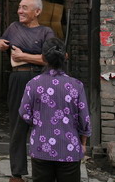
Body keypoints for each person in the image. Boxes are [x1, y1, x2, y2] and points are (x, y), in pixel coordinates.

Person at [0, 0, 55, 182]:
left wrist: (24, 57)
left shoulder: (46, 32)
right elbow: (0, 41)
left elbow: (51, 58)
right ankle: (17, 173)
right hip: (18, 78)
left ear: (37, 12)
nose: (20, 11)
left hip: (42, 80)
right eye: (20, 7)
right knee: (17, 124)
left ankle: (43, 173)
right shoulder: (13, 27)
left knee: (44, 124)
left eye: (25, 8)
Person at [19, 37, 91, 182]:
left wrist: (40, 122)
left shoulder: (33, 84)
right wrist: (83, 144)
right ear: (66, 57)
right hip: (69, 149)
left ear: (43, 58)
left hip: (41, 148)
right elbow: (84, 119)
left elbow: (24, 112)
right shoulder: (76, 85)